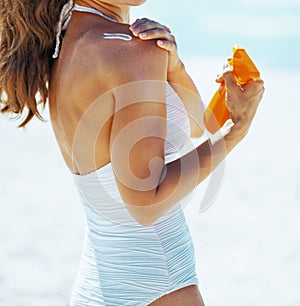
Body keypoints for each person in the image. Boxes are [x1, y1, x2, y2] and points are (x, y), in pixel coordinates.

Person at [0, 0, 264, 305]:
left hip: (97, 285)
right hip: (157, 286)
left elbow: (192, 128)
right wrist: (237, 130)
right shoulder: (128, 50)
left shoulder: (71, 39)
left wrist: (173, 66)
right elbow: (145, 202)